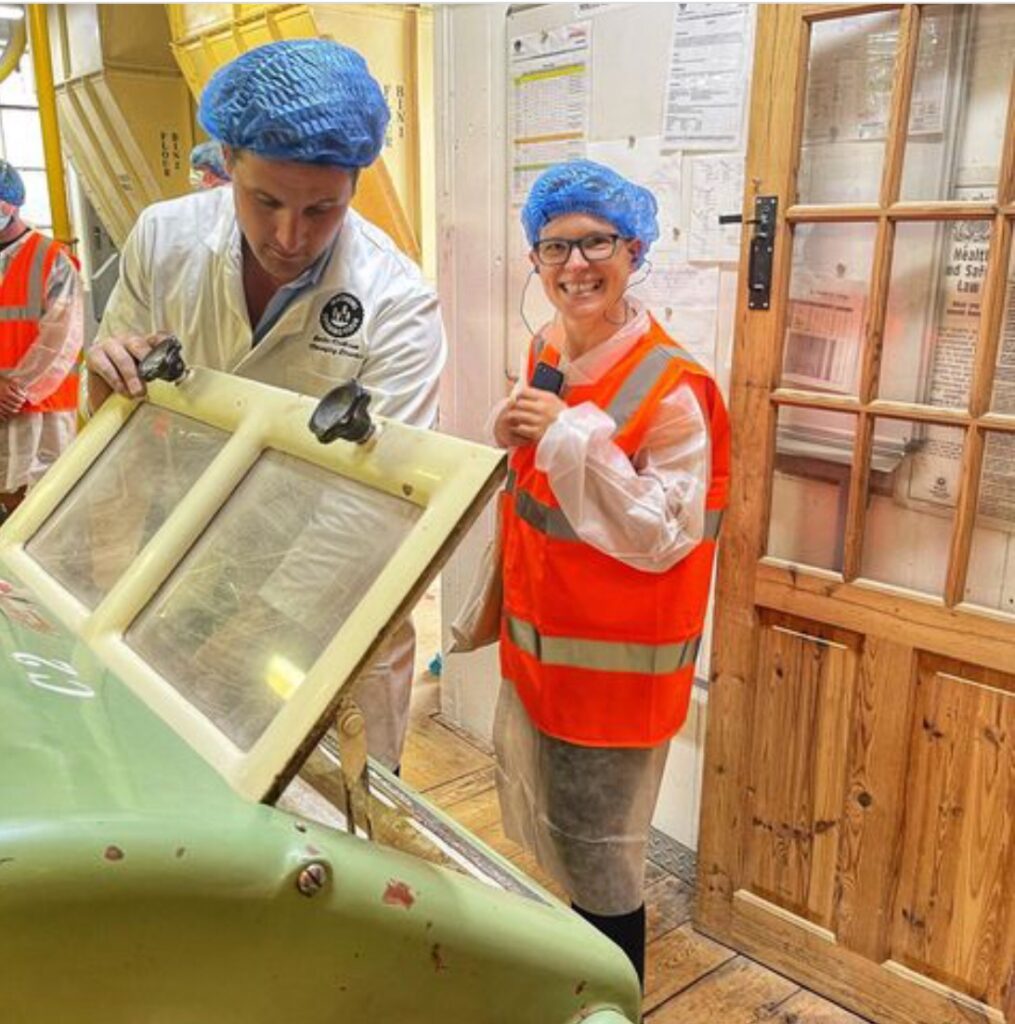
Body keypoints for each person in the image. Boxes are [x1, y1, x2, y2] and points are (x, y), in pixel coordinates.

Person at [86, 39, 447, 772]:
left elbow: (370, 505)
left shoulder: (398, 302)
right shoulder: (165, 238)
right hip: (181, 553)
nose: (290, 237)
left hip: (326, 588)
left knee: (338, 806)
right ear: (228, 164)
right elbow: (112, 410)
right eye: (266, 201)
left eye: (322, 209)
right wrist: (107, 371)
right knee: (187, 777)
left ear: (353, 186)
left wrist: (258, 625)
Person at [491, 160, 730, 985]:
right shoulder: (547, 347)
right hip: (538, 655)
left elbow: (663, 532)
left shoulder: (673, 388)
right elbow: (546, 493)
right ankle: (565, 985)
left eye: (595, 243)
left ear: (634, 250)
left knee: (602, 866)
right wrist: (517, 427)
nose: (573, 265)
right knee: (547, 839)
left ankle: (610, 1001)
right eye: (552, 246)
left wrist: (566, 432)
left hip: (613, 680)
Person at [0, 160, 84, 519]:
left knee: (39, 503)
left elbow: (62, 339)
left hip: (38, 408)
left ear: (10, 204)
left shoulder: (51, 258)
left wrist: (13, 389)